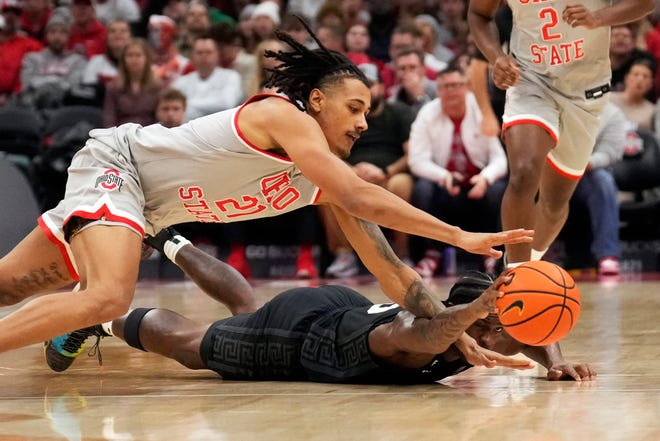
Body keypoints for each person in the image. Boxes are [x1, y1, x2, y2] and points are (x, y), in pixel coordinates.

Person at [0, 23, 532, 366]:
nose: (364, 123)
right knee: (110, 297)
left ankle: (76, 313)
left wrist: (450, 328)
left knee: (6, 286)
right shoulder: (280, 114)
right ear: (317, 102)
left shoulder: (321, 182)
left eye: (369, 111)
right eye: (354, 108)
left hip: (144, 209)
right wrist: (458, 234)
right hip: (121, 166)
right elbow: (361, 192)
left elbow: (392, 270)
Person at [47, 234, 595, 383]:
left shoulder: (498, 327)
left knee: (244, 310)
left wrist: (555, 359)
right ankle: (94, 315)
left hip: (343, 308)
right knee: (198, 349)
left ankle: (169, 238)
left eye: (507, 319)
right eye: (495, 318)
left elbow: (529, 325)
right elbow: (428, 336)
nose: (509, 334)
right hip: (305, 336)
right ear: (473, 315)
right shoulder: (416, 332)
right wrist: (479, 310)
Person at [467, 0, 654, 269]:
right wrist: (497, 57)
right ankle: (515, 277)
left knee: (554, 205)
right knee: (523, 172)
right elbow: (478, 14)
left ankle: (529, 265)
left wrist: (598, 18)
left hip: (586, 90)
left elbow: (645, 4)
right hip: (530, 79)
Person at [408, 66, 508, 277]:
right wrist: (443, 176)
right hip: (447, 187)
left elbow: (500, 159)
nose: (451, 91)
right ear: (438, 90)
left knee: (498, 189)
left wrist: (485, 178)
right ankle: (431, 254)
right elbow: (416, 160)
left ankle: (493, 254)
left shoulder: (481, 110)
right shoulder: (427, 114)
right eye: (445, 86)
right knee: (422, 188)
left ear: (467, 88)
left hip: (478, 185)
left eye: (457, 85)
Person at [569, 102, 627, 275]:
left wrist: (587, 163)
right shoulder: (559, 101)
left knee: (603, 180)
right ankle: (527, 257)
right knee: (529, 178)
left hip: (586, 174)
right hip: (552, 170)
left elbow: (610, 152)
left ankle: (607, 255)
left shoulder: (613, 113)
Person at [171, 35, 243, 122]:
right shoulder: (181, 81)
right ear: (192, 56)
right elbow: (173, 108)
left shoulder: (231, 76)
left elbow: (227, 103)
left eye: (209, 52)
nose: (204, 56)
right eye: (199, 52)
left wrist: (188, 105)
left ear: (217, 55)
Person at [102, 37, 161, 127]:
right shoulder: (113, 87)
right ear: (123, 60)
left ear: (147, 59)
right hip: (121, 136)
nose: (134, 59)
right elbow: (109, 118)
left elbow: (160, 118)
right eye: (130, 55)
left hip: (149, 135)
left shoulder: (157, 86)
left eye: (138, 55)